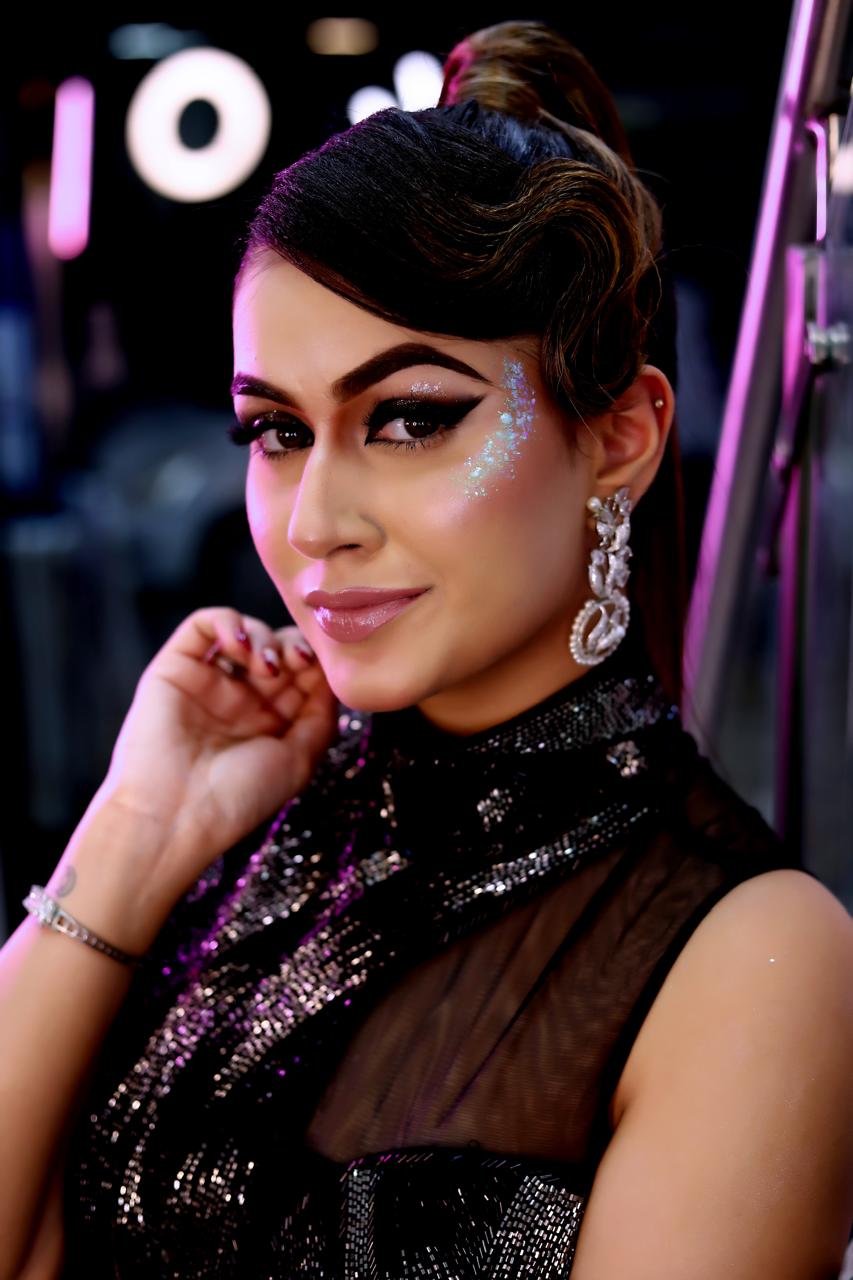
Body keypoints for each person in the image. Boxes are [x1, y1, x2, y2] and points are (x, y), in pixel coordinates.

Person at [2, 18, 852, 1280]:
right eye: (277, 430)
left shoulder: (753, 956)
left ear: (618, 437)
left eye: (407, 419)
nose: (314, 522)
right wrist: (131, 835)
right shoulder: (237, 839)